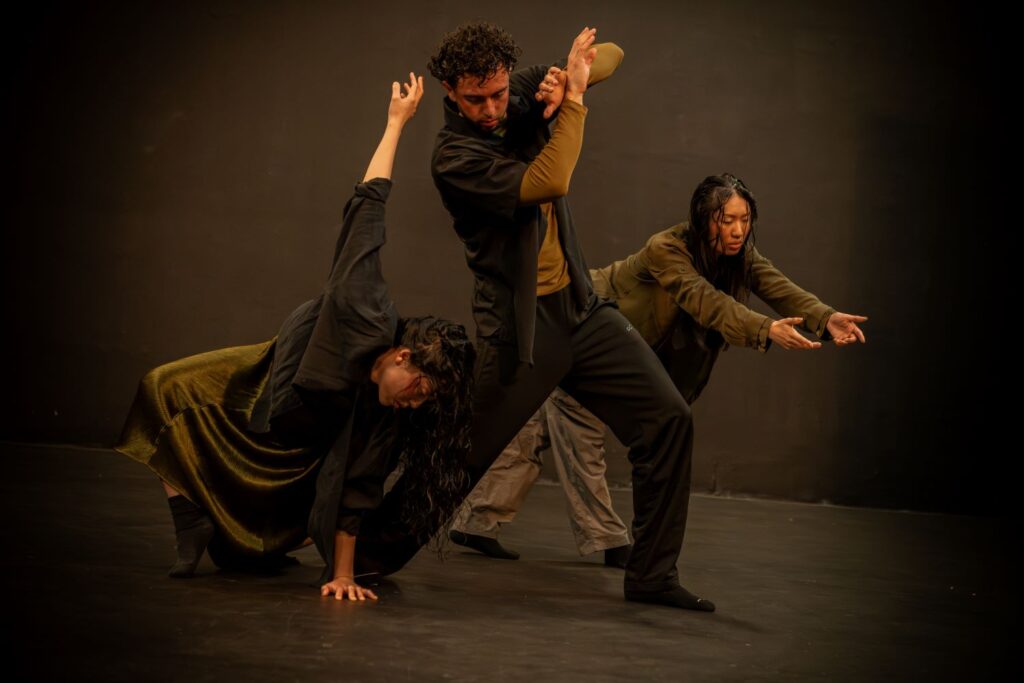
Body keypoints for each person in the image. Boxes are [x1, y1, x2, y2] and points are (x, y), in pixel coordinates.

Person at [354, 22, 715, 611]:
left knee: (668, 418)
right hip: (521, 331)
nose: (492, 108)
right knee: (459, 459)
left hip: (580, 309)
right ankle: (363, 555)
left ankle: (652, 575)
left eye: (499, 93)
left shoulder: (515, 92)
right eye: (476, 99)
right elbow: (551, 179)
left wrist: (569, 76)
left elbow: (613, 54)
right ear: (450, 91)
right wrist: (572, 101)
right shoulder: (454, 157)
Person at [115, 73, 475, 603]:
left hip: (300, 451)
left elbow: (359, 488)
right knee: (162, 388)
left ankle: (238, 538)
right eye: (419, 387)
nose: (416, 402)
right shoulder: (363, 307)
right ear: (402, 356)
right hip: (270, 377)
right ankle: (189, 518)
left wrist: (343, 575)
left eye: (425, 399)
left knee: (248, 554)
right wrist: (396, 124)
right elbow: (368, 209)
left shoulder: (386, 413)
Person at [451, 173, 868, 559]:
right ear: (703, 218)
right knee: (579, 426)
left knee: (537, 427)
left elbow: (778, 285)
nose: (738, 230)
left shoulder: (739, 255)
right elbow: (706, 301)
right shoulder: (666, 249)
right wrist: (765, 329)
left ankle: (476, 521)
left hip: (603, 343)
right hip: (577, 330)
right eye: (726, 220)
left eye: (744, 220)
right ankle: (609, 539)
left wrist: (825, 318)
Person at [449, 387, 631, 567]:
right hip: (582, 380)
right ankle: (610, 540)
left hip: (554, 374)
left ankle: (477, 522)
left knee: (528, 438)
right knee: (580, 449)